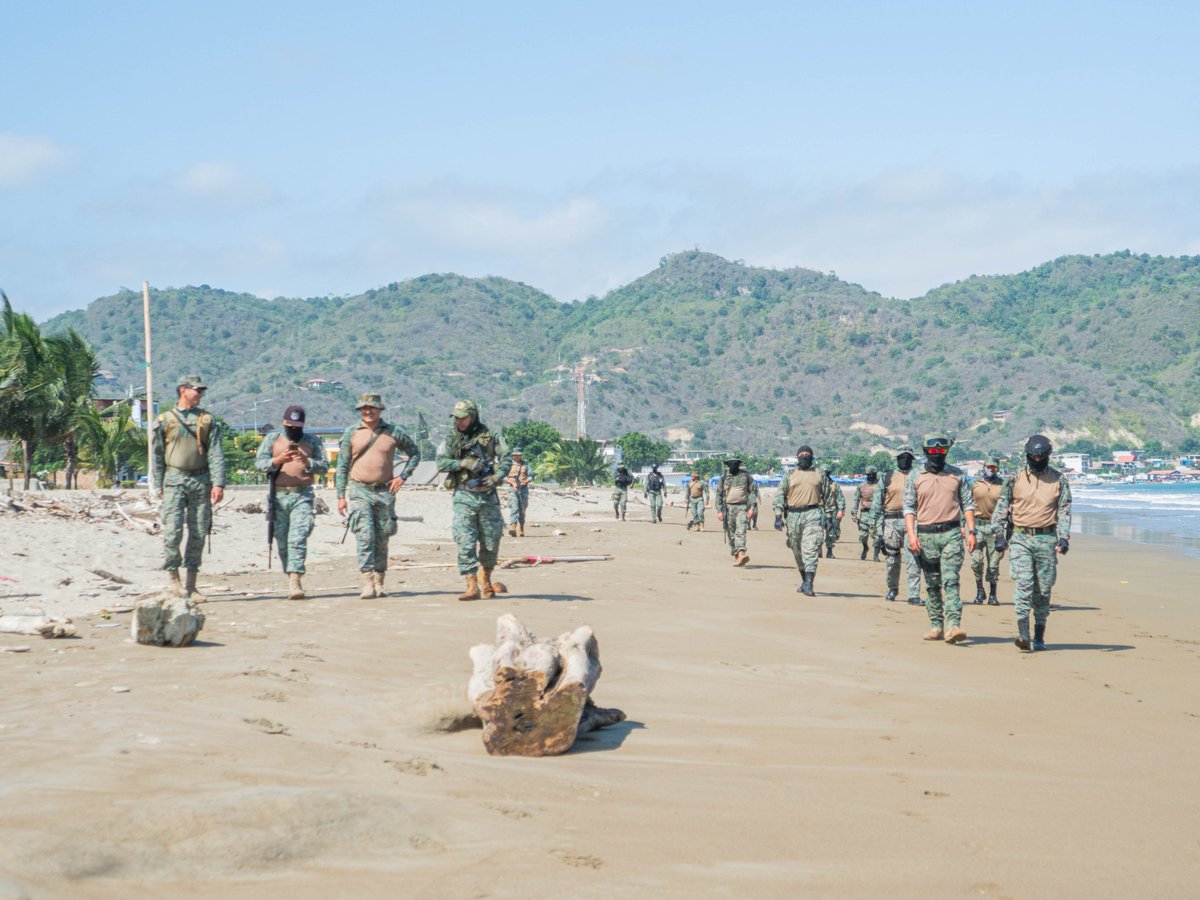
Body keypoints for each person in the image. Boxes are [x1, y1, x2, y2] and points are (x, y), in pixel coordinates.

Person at [335, 394, 421, 599]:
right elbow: (342, 466)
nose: (368, 411)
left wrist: (403, 476)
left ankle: (379, 582)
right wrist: (340, 496)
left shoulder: (393, 432)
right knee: (365, 536)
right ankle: (367, 582)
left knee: (382, 537)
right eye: (363, 408)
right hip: (359, 491)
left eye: (372, 408)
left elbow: (415, 453)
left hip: (385, 492)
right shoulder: (351, 433)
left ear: (380, 410)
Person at [992, 435, 1072, 652]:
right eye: (1033, 457)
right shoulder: (1014, 479)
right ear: (1027, 456)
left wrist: (1064, 538)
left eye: (1041, 457)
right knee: (1024, 584)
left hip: (1047, 538)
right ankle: (1023, 634)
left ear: (1047, 456)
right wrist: (999, 535)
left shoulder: (1059, 480)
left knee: (1043, 590)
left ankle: (1039, 636)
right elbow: (1001, 509)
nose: (1037, 461)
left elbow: (1064, 510)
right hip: (1021, 538)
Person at [153, 374, 225, 601]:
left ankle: (192, 584)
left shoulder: (207, 420)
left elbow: (215, 453)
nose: (200, 394)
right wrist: (158, 483)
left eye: (202, 391)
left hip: (200, 480)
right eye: (197, 390)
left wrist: (218, 483)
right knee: (172, 531)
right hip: (174, 479)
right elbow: (156, 454)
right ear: (183, 390)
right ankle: (174, 579)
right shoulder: (165, 419)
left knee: (198, 531)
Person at [436, 399, 512, 601]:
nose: (459, 422)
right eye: (456, 418)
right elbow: (441, 463)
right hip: (464, 496)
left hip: (487, 496)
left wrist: (497, 477)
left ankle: (485, 578)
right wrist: (463, 463)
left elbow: (506, 457)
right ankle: (471, 585)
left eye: (463, 418)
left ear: (473, 416)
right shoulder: (451, 439)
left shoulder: (491, 437)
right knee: (465, 541)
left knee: (491, 541)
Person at [904, 433, 976, 643]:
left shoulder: (957, 475)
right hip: (925, 535)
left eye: (942, 451)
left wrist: (972, 532)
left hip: (951, 534)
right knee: (932, 583)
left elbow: (967, 504)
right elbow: (909, 508)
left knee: (951, 580)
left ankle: (953, 625)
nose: (937, 454)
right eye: (933, 451)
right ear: (926, 451)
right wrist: (911, 535)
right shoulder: (915, 476)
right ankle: (936, 625)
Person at [255, 405, 329, 600]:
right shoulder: (272, 439)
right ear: (284, 423)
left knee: (298, 538)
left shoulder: (312, 441)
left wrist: (307, 462)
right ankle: (290, 575)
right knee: (282, 541)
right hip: (278, 496)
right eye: (290, 426)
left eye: (297, 426)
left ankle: (295, 580)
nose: (294, 429)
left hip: (302, 495)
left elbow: (324, 466)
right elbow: (259, 463)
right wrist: (278, 459)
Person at [773, 445, 829, 595]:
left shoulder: (819, 474)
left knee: (810, 548)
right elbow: (780, 495)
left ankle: (809, 584)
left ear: (812, 457)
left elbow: (828, 497)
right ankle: (804, 580)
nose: (804, 456)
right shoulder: (790, 474)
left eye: (807, 454)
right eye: (801, 454)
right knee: (796, 549)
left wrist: (830, 518)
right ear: (797, 457)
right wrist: (778, 515)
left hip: (813, 513)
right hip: (793, 515)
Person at [871, 445, 924, 603]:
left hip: (913, 522)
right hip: (890, 522)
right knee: (892, 559)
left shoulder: (919, 475)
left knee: (913, 558)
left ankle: (913, 594)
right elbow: (877, 503)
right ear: (897, 458)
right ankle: (892, 588)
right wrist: (876, 530)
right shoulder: (887, 476)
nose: (905, 460)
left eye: (908, 457)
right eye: (902, 457)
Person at [969, 455, 1006, 605]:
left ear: (997, 469)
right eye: (989, 467)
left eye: (994, 467)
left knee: (993, 564)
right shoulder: (974, 483)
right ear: (984, 468)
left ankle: (992, 594)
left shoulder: (1003, 485)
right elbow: (966, 505)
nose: (991, 470)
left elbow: (1010, 505)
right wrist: (964, 525)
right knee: (976, 562)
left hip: (995, 528)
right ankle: (979, 590)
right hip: (977, 526)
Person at [717, 457, 757, 566]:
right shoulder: (724, 477)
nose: (733, 465)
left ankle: (742, 552)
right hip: (728, 508)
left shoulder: (746, 476)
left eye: (735, 464)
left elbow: (753, 491)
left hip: (742, 507)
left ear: (739, 465)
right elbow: (719, 494)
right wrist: (719, 510)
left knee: (741, 530)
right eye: (731, 464)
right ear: (728, 465)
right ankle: (736, 556)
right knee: (731, 534)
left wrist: (751, 507)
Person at [852, 466, 881, 560]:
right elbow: (856, 500)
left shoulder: (880, 486)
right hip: (865, 513)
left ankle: (876, 554)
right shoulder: (861, 486)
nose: (871, 476)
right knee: (862, 535)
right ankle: (865, 547)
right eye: (869, 475)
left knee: (876, 535)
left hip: (877, 514)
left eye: (873, 475)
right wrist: (854, 513)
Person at [818, 462, 845, 558]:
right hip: (819, 510)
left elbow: (840, 498)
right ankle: (819, 549)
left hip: (831, 511)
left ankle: (829, 551)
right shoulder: (816, 484)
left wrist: (840, 511)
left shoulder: (834, 485)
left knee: (831, 532)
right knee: (818, 531)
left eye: (826, 472)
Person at [504, 447, 532, 537]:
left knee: (522, 510)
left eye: (518, 455)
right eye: (515, 455)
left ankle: (521, 528)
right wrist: (512, 483)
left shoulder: (526, 464)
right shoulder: (508, 465)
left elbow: (531, 476)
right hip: (513, 489)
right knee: (514, 508)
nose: (517, 456)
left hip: (523, 489)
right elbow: (503, 477)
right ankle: (513, 527)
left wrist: (525, 482)